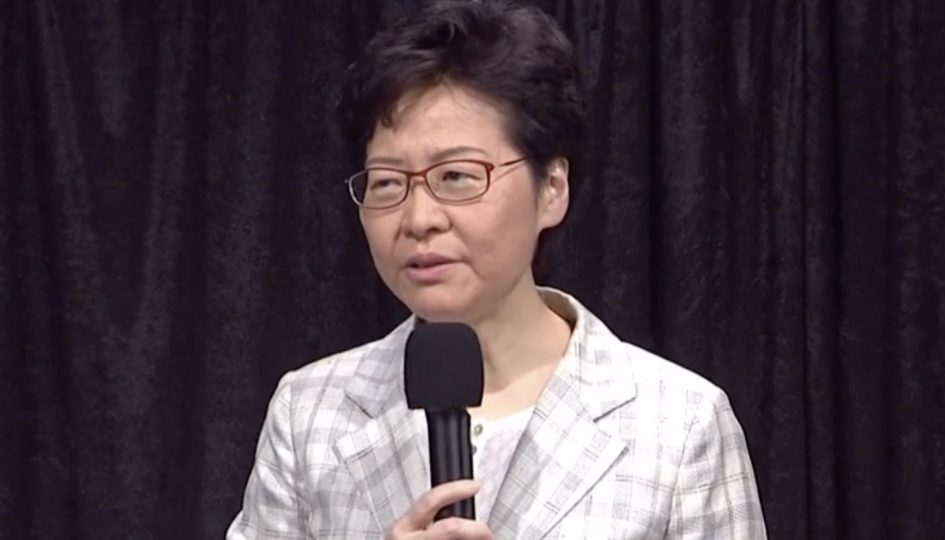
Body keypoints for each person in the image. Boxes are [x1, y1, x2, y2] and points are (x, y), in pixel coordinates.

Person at [227, 0, 767, 538]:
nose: (418, 219)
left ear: (552, 189)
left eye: (458, 176)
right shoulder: (310, 412)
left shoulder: (679, 423)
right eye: (388, 182)